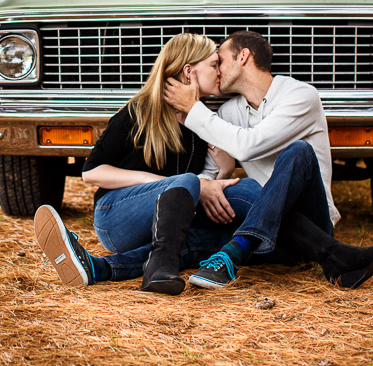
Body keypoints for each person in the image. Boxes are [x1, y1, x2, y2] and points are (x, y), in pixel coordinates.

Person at [164, 30, 373, 290]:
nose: (217, 70)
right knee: (217, 211)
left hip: (313, 222)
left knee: (299, 152)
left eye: (221, 61)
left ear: (243, 57)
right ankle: (337, 257)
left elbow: (249, 145)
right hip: (274, 237)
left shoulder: (300, 96)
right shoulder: (229, 112)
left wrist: (195, 109)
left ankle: (235, 251)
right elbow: (209, 173)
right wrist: (211, 181)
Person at [33, 33, 259, 295]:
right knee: (188, 181)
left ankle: (100, 268)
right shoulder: (139, 111)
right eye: (213, 64)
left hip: (171, 225)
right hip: (117, 216)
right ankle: (158, 264)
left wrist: (224, 171)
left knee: (245, 194)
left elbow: (210, 181)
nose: (220, 71)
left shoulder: (202, 119)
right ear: (189, 71)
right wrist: (161, 183)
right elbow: (92, 172)